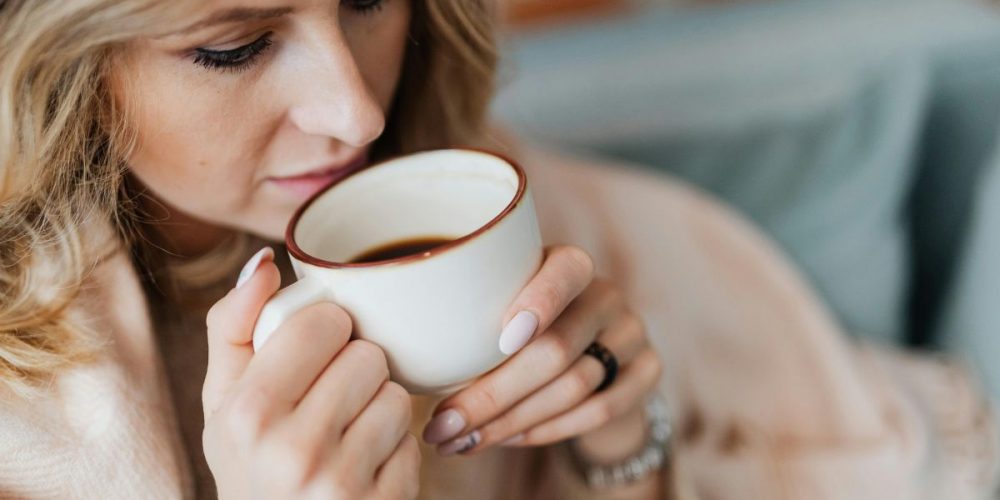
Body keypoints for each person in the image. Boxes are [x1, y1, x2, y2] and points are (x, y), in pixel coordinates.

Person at [0, 0, 995, 499]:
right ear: (57, 65)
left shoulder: (473, 191)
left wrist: (616, 442)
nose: (353, 109)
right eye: (233, 45)